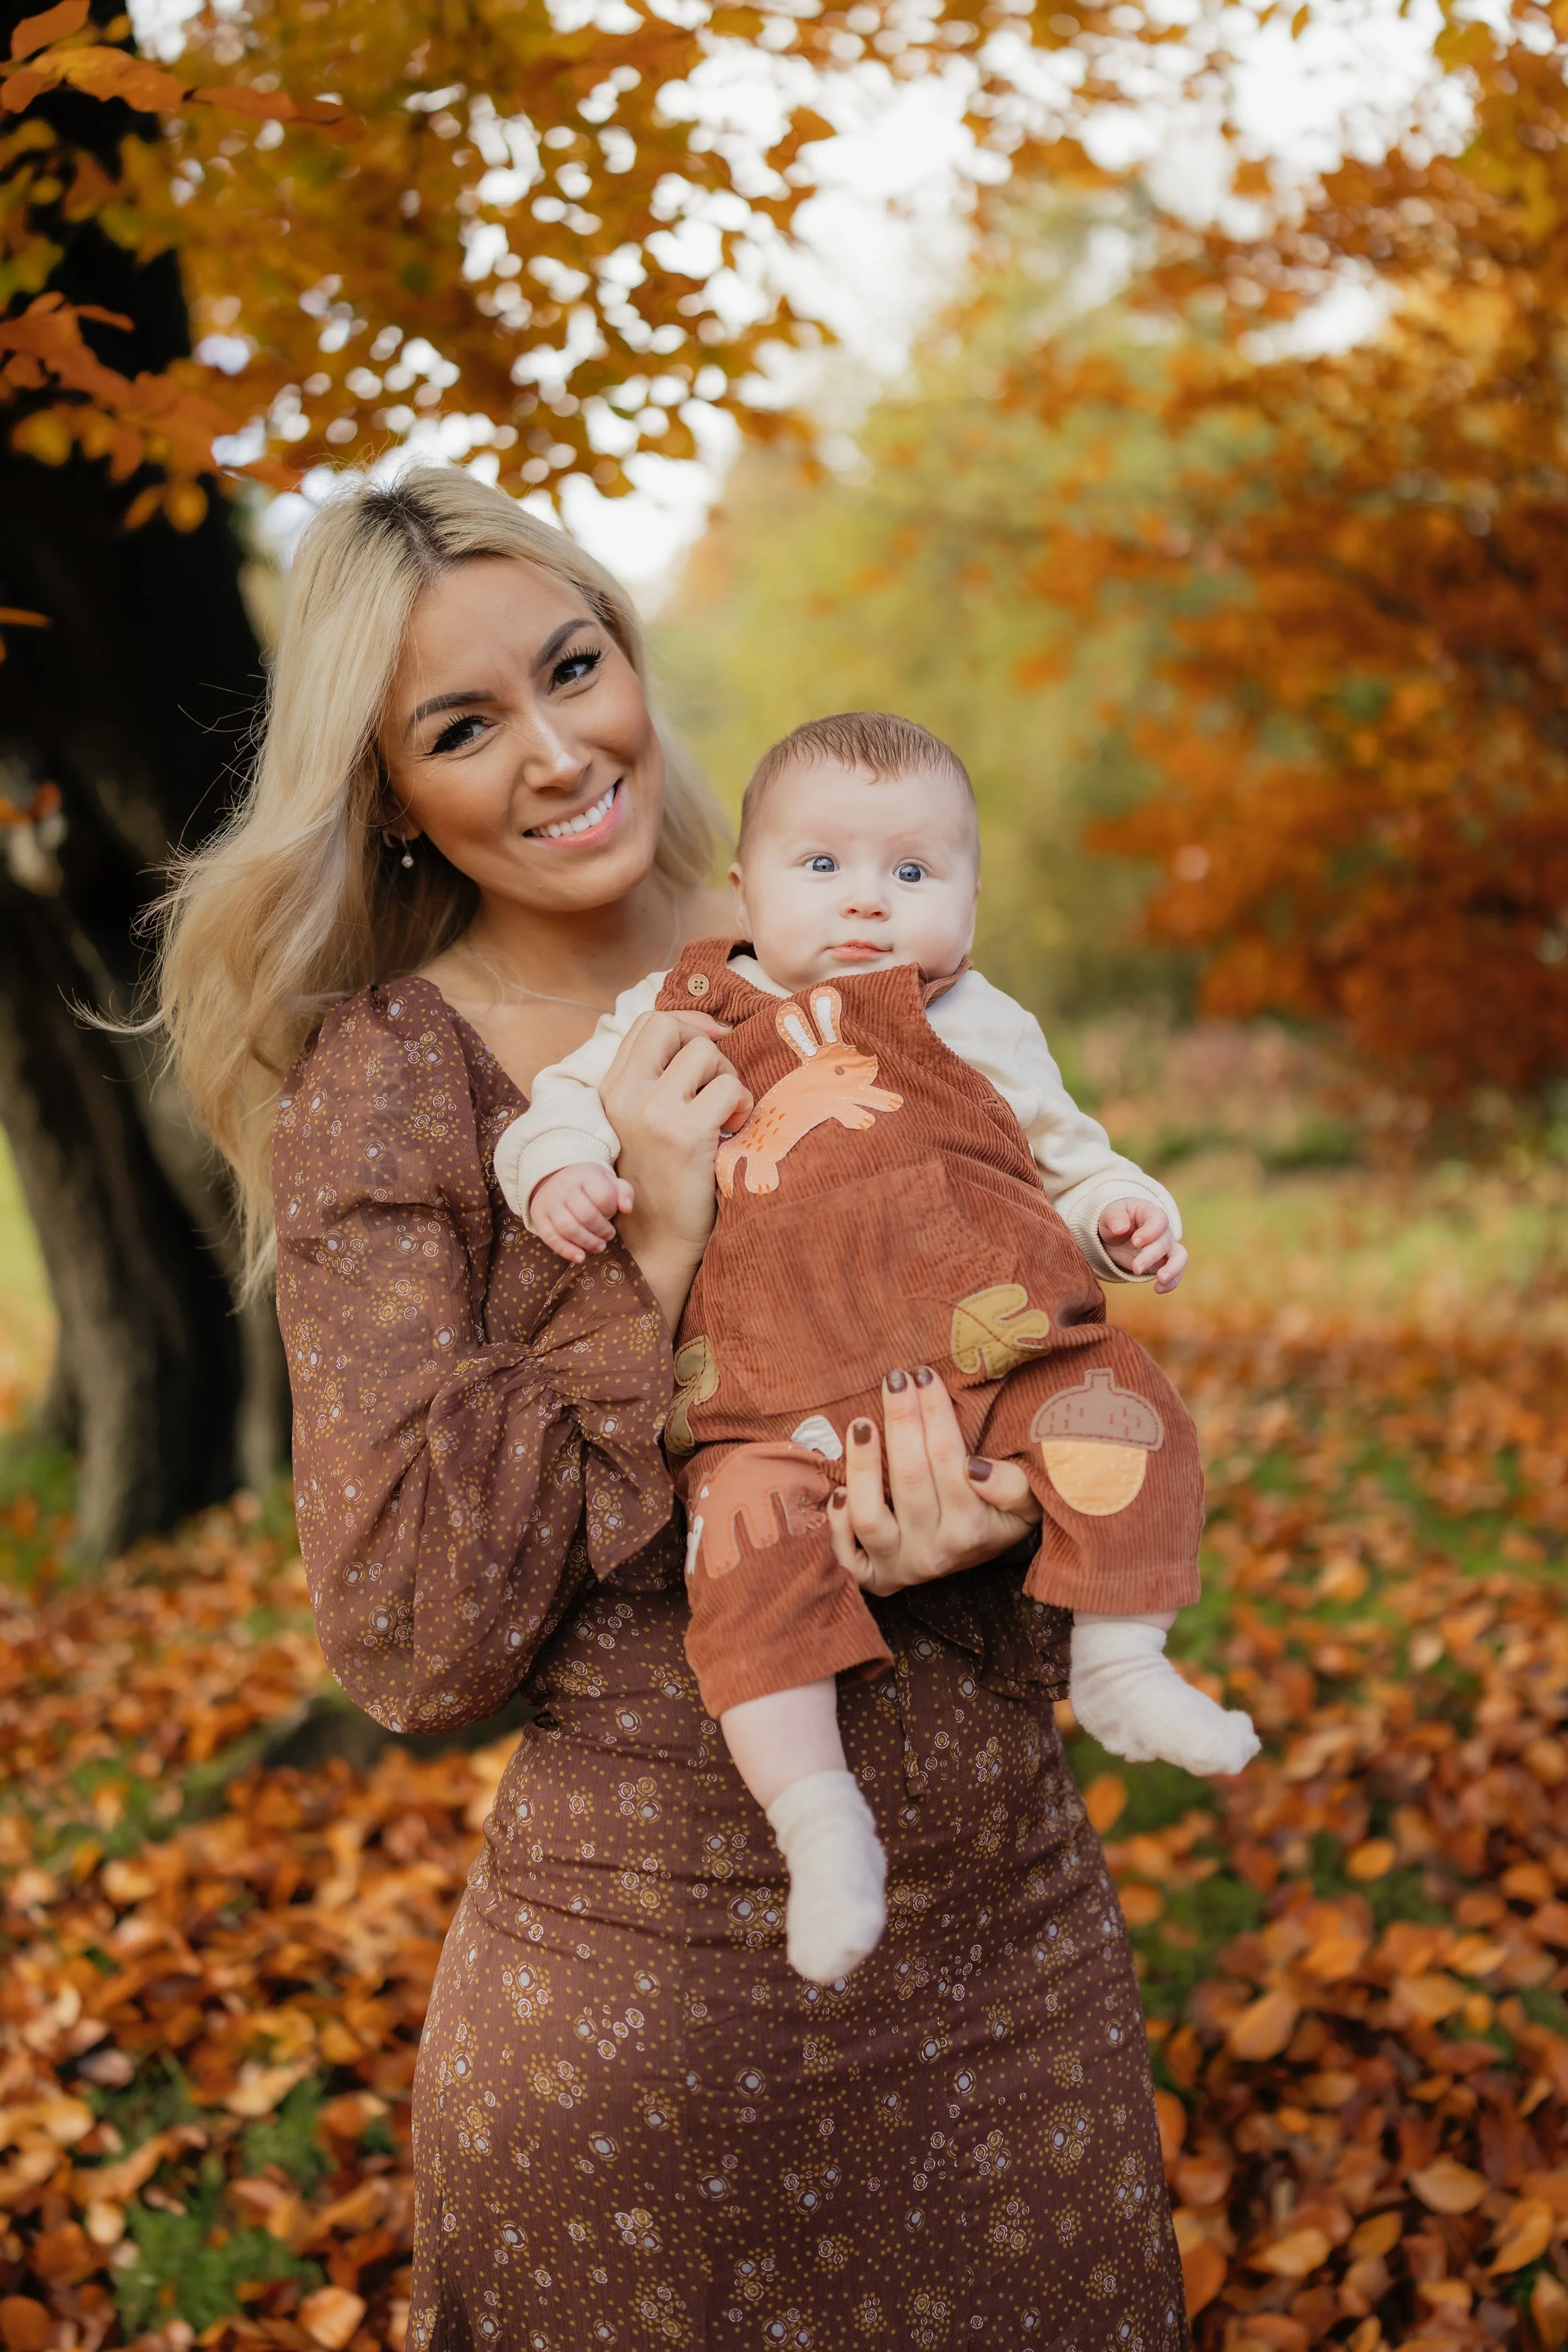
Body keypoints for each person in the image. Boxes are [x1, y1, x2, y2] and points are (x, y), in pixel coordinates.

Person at [156, 467, 1192, 2352]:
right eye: (464, 727)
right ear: (392, 790)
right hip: (646, 2020)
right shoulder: (396, 1084)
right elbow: (405, 1633)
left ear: (634, 662)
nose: (555, 753)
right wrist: (657, 1259)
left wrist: (1001, 1507)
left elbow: (1046, 1327)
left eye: (575, 666)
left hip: (1012, 1959)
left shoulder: (853, 941)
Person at [496, 710, 1258, 1983]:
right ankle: (818, 1822)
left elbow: (1066, 1162)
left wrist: (1121, 1221)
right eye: (822, 867)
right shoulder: (676, 1008)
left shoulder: (979, 1019)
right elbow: (560, 1105)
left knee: (1119, 1406)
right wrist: (561, 1166)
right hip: (767, 1399)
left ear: (969, 896)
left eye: (912, 873)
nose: (868, 903)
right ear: (740, 885)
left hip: (992, 1356)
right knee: (742, 1558)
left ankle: (1123, 1659)